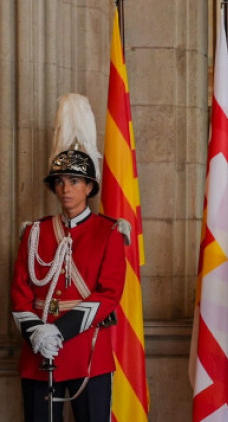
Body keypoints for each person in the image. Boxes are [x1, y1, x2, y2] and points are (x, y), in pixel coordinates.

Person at [11, 93, 128, 422]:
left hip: (85, 349)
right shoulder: (34, 232)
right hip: (38, 349)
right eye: (60, 182)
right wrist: (37, 331)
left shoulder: (109, 233)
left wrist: (59, 331)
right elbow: (20, 291)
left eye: (74, 181)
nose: (66, 189)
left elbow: (109, 293)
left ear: (89, 187)